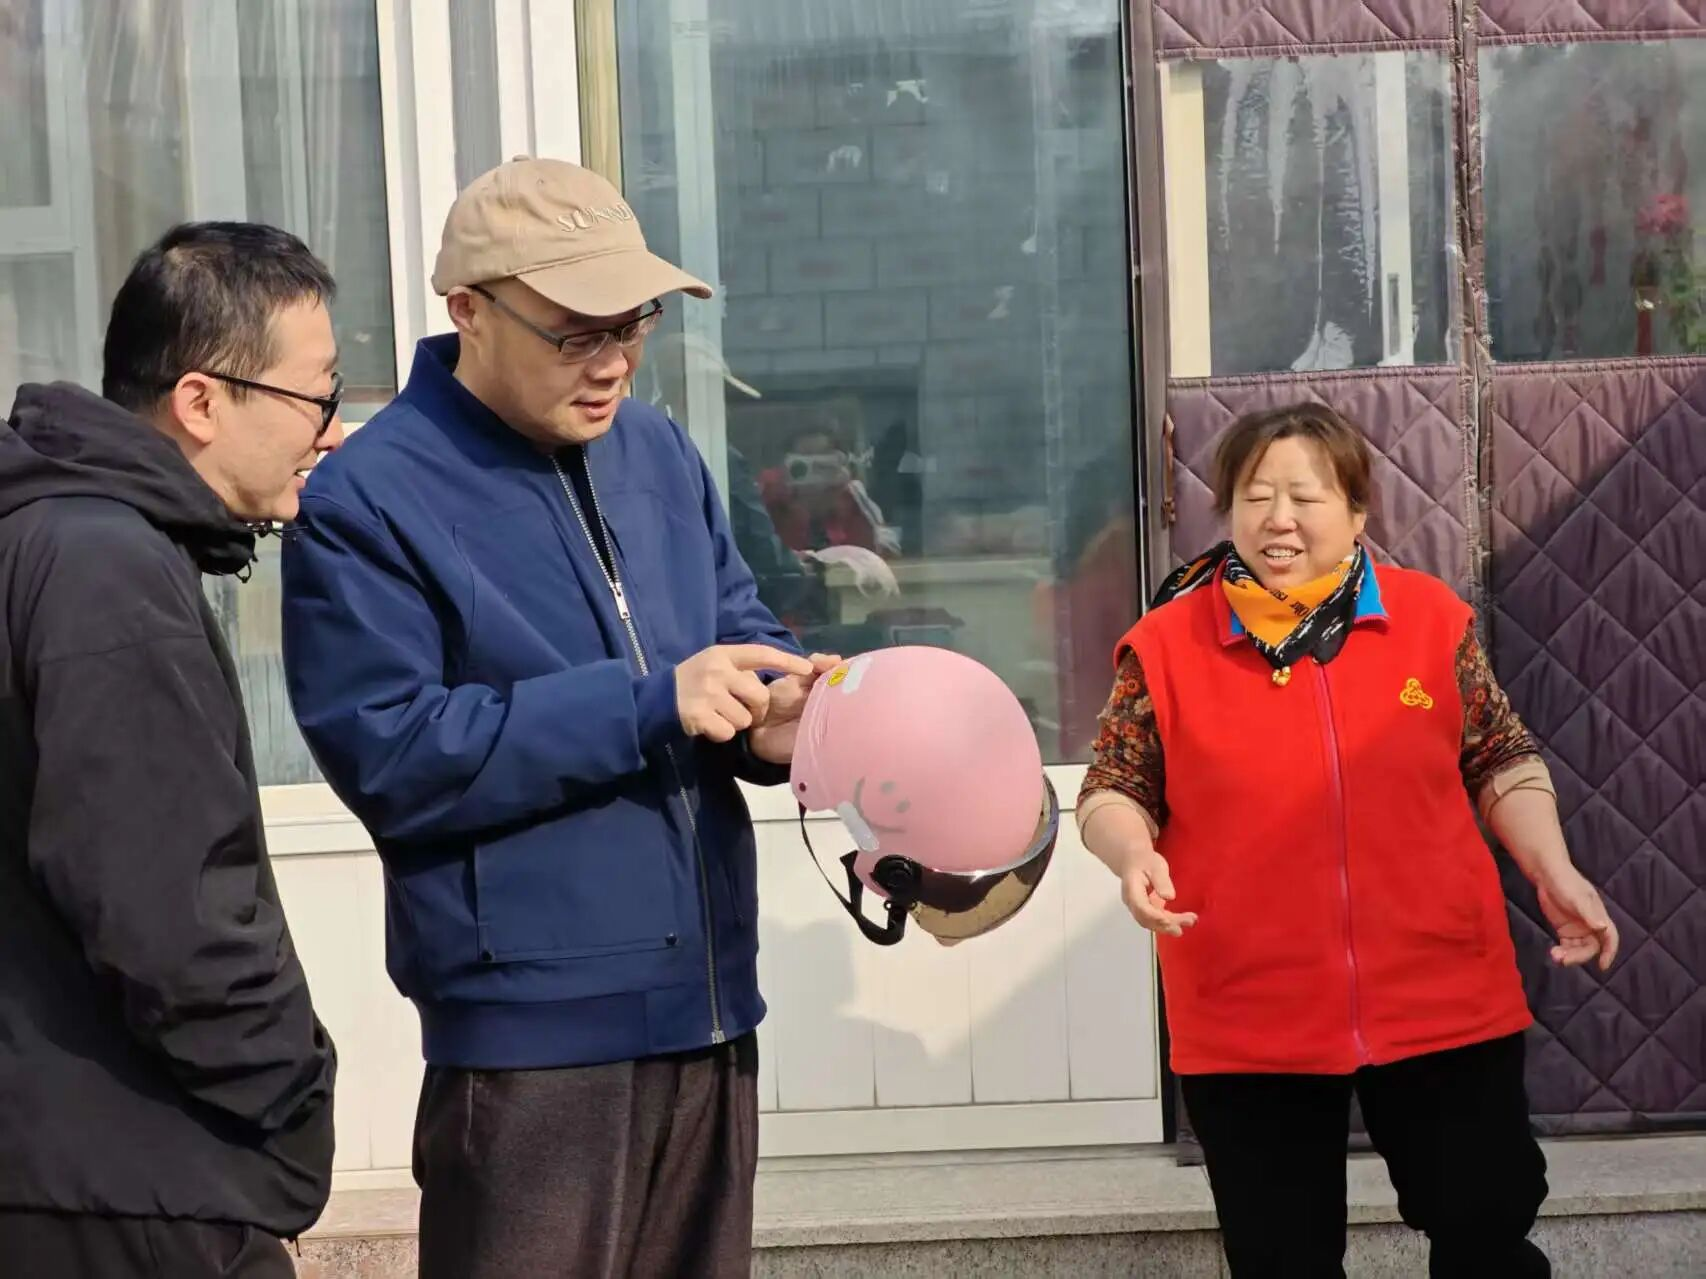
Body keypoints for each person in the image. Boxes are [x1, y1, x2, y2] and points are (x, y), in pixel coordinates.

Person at [280, 157, 833, 1279]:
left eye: (633, 324)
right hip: (533, 1043)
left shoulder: (658, 449)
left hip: (711, 1010)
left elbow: (733, 631)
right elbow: (393, 753)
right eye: (577, 333)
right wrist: (649, 704)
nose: (615, 361)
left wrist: (776, 720)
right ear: (469, 310)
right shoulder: (366, 497)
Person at [1078, 403, 1618, 1278]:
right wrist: (1131, 851)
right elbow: (1113, 785)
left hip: (1440, 986)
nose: (1278, 518)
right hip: (1249, 1005)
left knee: (1485, 1224)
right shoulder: (1168, 642)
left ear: (1358, 511)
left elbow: (1500, 756)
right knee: (1281, 1257)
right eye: (1255, 496)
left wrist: (1551, 867)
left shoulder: (1428, 618)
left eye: (1305, 496)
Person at [0, 223, 343, 1277]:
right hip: (134, 1189)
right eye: (316, 395)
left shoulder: (57, 534)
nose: (332, 429)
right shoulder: (104, 566)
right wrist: (290, 1092)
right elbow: (162, 910)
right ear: (200, 401)